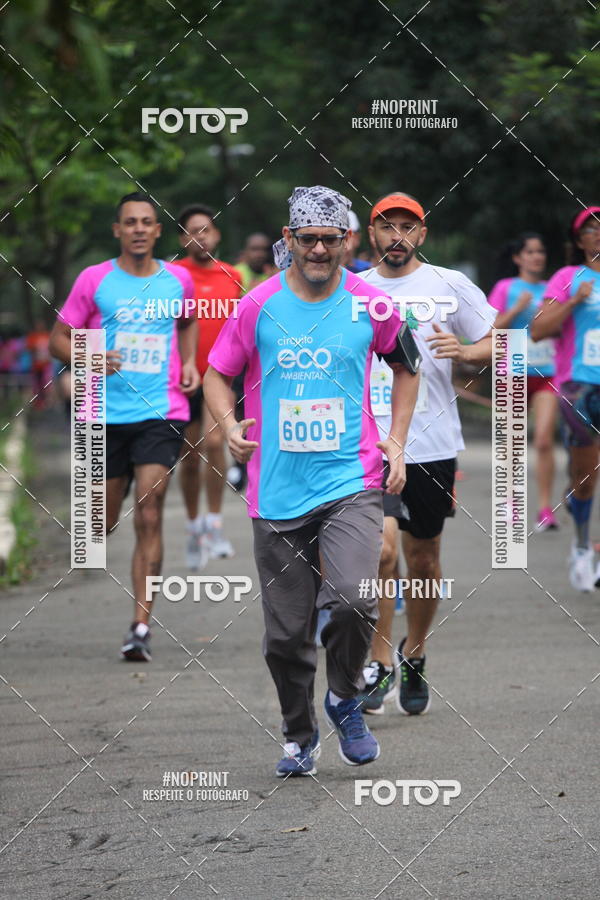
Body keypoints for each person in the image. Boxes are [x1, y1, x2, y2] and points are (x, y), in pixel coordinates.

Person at [203, 185, 420, 776]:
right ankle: (300, 735)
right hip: (275, 491)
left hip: (351, 479)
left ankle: (344, 696)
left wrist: (396, 439)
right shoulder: (258, 305)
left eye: (330, 239)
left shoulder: (372, 305)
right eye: (308, 239)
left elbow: (407, 367)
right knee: (284, 637)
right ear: (289, 239)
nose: (320, 250)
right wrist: (228, 426)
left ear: (348, 240)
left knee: (352, 598)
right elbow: (216, 374)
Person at [355, 192, 495, 716]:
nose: (397, 236)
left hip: (432, 443)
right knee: (381, 552)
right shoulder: (355, 289)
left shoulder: (448, 284)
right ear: (371, 235)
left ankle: (414, 653)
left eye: (407, 227)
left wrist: (469, 351)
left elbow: (502, 340)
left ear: (422, 234)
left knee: (424, 557)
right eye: (386, 227)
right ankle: (379, 661)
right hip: (370, 442)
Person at [49, 191, 200, 661]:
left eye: (147, 222)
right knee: (101, 523)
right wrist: (88, 354)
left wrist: (191, 362)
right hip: (101, 412)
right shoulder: (94, 280)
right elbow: (58, 340)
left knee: (150, 511)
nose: (138, 228)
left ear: (158, 231)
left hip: (161, 411)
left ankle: (140, 626)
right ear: (117, 230)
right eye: (129, 222)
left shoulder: (179, 279)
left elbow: (187, 323)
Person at [530, 206, 600, 592]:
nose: (598, 235)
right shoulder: (568, 278)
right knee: (586, 478)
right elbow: (538, 330)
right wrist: (575, 302)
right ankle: (580, 547)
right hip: (580, 388)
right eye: (590, 230)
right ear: (579, 241)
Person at [173, 204, 242, 568]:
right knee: (189, 456)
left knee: (216, 443)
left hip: (220, 377)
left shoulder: (231, 276)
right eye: (193, 231)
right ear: (183, 239)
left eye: (207, 230)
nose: (201, 237)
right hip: (184, 378)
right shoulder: (171, 276)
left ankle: (214, 524)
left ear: (216, 235)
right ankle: (193, 527)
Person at [488, 234, 558, 532]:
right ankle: (510, 506)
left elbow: (561, 328)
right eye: (530, 252)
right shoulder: (506, 287)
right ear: (518, 258)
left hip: (547, 370)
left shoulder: (552, 289)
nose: (536, 257)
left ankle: (544, 509)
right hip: (512, 367)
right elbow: (489, 326)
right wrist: (518, 310)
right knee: (512, 445)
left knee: (543, 439)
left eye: (540, 251)